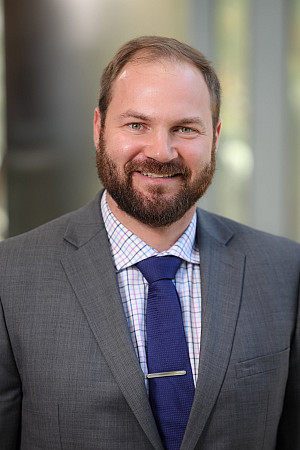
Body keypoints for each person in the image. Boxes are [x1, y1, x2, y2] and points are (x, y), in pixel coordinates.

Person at [0, 36, 299, 450]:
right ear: (99, 128)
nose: (161, 152)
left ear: (214, 137)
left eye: (184, 128)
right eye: (137, 124)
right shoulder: (9, 275)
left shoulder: (286, 270)